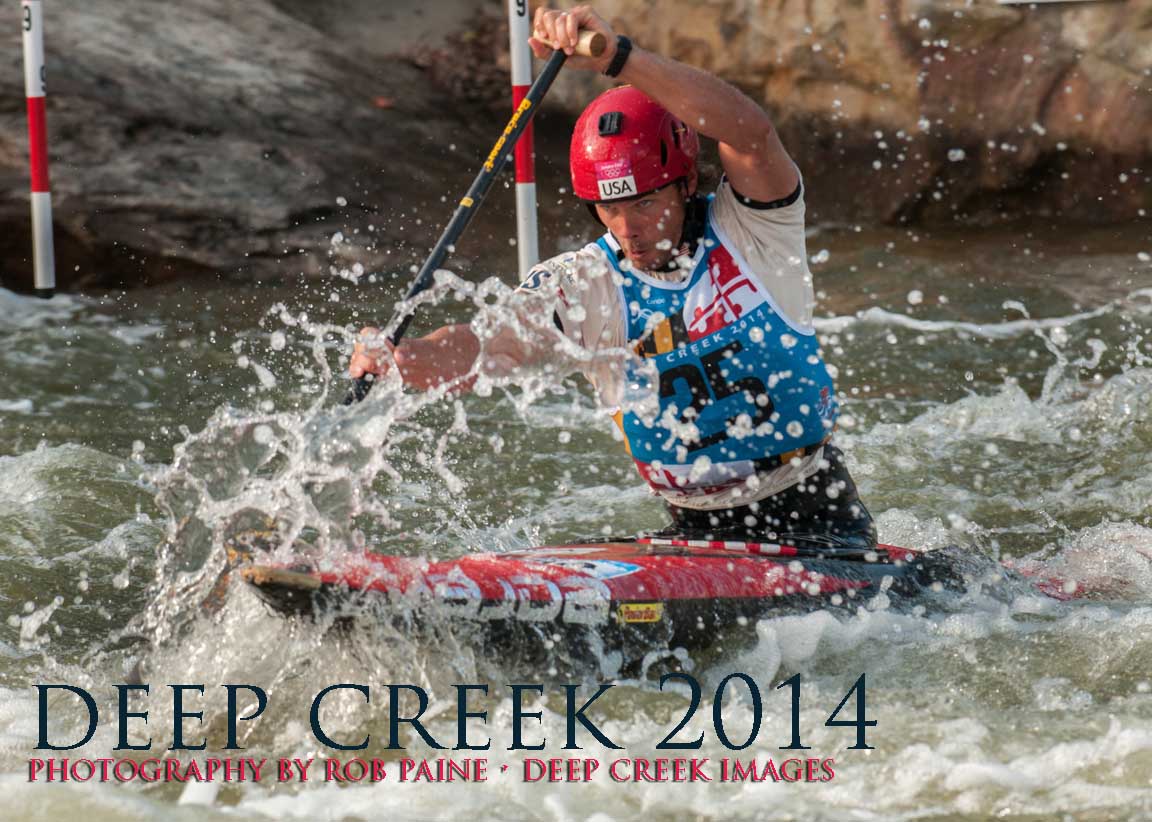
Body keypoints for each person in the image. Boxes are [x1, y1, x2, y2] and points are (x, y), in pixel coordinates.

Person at [350, 4, 876, 552]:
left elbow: (750, 134)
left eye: (645, 203)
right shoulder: (584, 284)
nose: (628, 230)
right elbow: (488, 344)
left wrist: (619, 57)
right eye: (609, 209)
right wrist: (407, 358)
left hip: (819, 525)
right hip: (694, 536)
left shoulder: (755, 230)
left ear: (686, 182)